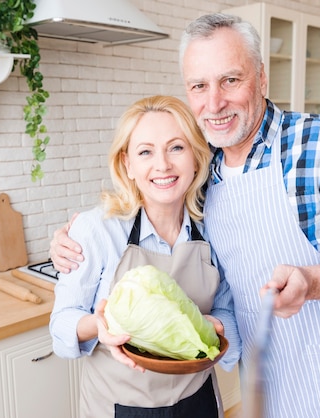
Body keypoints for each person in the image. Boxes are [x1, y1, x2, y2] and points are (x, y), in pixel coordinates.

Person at [51, 14, 320, 417]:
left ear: (261, 79)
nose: (214, 103)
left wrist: (312, 281)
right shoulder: (203, 178)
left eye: (230, 80)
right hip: (265, 383)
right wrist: (73, 239)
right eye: (199, 86)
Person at [49, 95, 239, 418]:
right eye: (145, 152)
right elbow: (61, 324)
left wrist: (214, 326)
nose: (162, 164)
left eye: (176, 147)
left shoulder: (213, 229)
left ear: (196, 157)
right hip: (120, 406)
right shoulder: (98, 230)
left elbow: (228, 313)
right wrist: (99, 325)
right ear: (128, 165)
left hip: (199, 402)